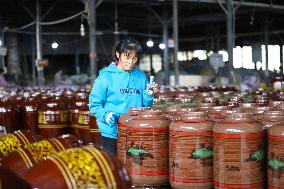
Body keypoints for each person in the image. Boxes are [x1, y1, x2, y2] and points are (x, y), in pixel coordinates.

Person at [89, 37, 158, 155]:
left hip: (135, 131)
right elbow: (94, 105)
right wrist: (105, 115)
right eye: (127, 57)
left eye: (134, 58)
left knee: (135, 168)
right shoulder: (105, 77)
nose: (130, 62)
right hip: (112, 133)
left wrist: (148, 95)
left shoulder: (140, 76)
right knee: (114, 167)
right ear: (118, 54)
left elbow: (146, 107)